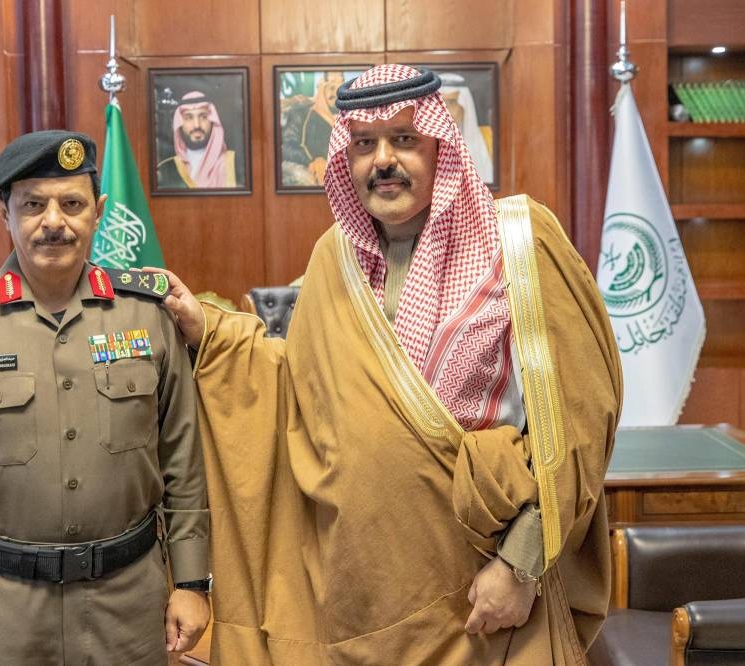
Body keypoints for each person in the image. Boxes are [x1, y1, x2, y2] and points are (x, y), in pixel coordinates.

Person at [158, 64, 621, 663]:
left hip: (486, 592)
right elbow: (298, 388)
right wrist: (212, 333)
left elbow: (578, 426)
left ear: (440, 145)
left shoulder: (521, 243)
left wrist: (520, 566)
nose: (382, 160)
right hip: (361, 592)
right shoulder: (334, 258)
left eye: (404, 139)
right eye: (363, 144)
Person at [0, 129, 211, 665]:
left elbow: (183, 458)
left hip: (129, 607)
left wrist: (193, 581)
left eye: (72, 204)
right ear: (4, 213)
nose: (54, 222)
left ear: (98, 213)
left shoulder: (146, 314)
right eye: (33, 205)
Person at [156, 91, 238, 189]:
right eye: (188, 118)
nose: (197, 125)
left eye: (203, 117)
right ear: (179, 124)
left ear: (213, 121)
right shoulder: (165, 169)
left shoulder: (235, 163)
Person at [280, 72, 344, 187]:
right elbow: (287, 146)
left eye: (340, 84)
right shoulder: (301, 113)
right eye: (331, 85)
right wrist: (313, 160)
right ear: (321, 86)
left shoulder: (354, 116)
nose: (335, 92)